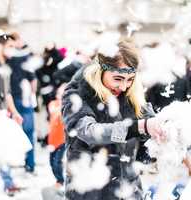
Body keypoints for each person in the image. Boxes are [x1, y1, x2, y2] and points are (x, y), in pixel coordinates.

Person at [62, 40, 166, 200]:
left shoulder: (132, 93)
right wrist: (136, 127)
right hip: (90, 186)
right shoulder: (77, 94)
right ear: (101, 71)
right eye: (118, 79)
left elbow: (149, 122)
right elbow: (89, 132)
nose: (124, 86)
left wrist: (165, 129)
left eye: (130, 79)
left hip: (128, 186)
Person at [0, 35, 23, 196]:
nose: (13, 49)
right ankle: (8, 183)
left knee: (3, 149)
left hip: (2, 113)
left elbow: (8, 93)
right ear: (1, 46)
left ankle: (8, 183)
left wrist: (15, 112)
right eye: (10, 46)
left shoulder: (5, 66)